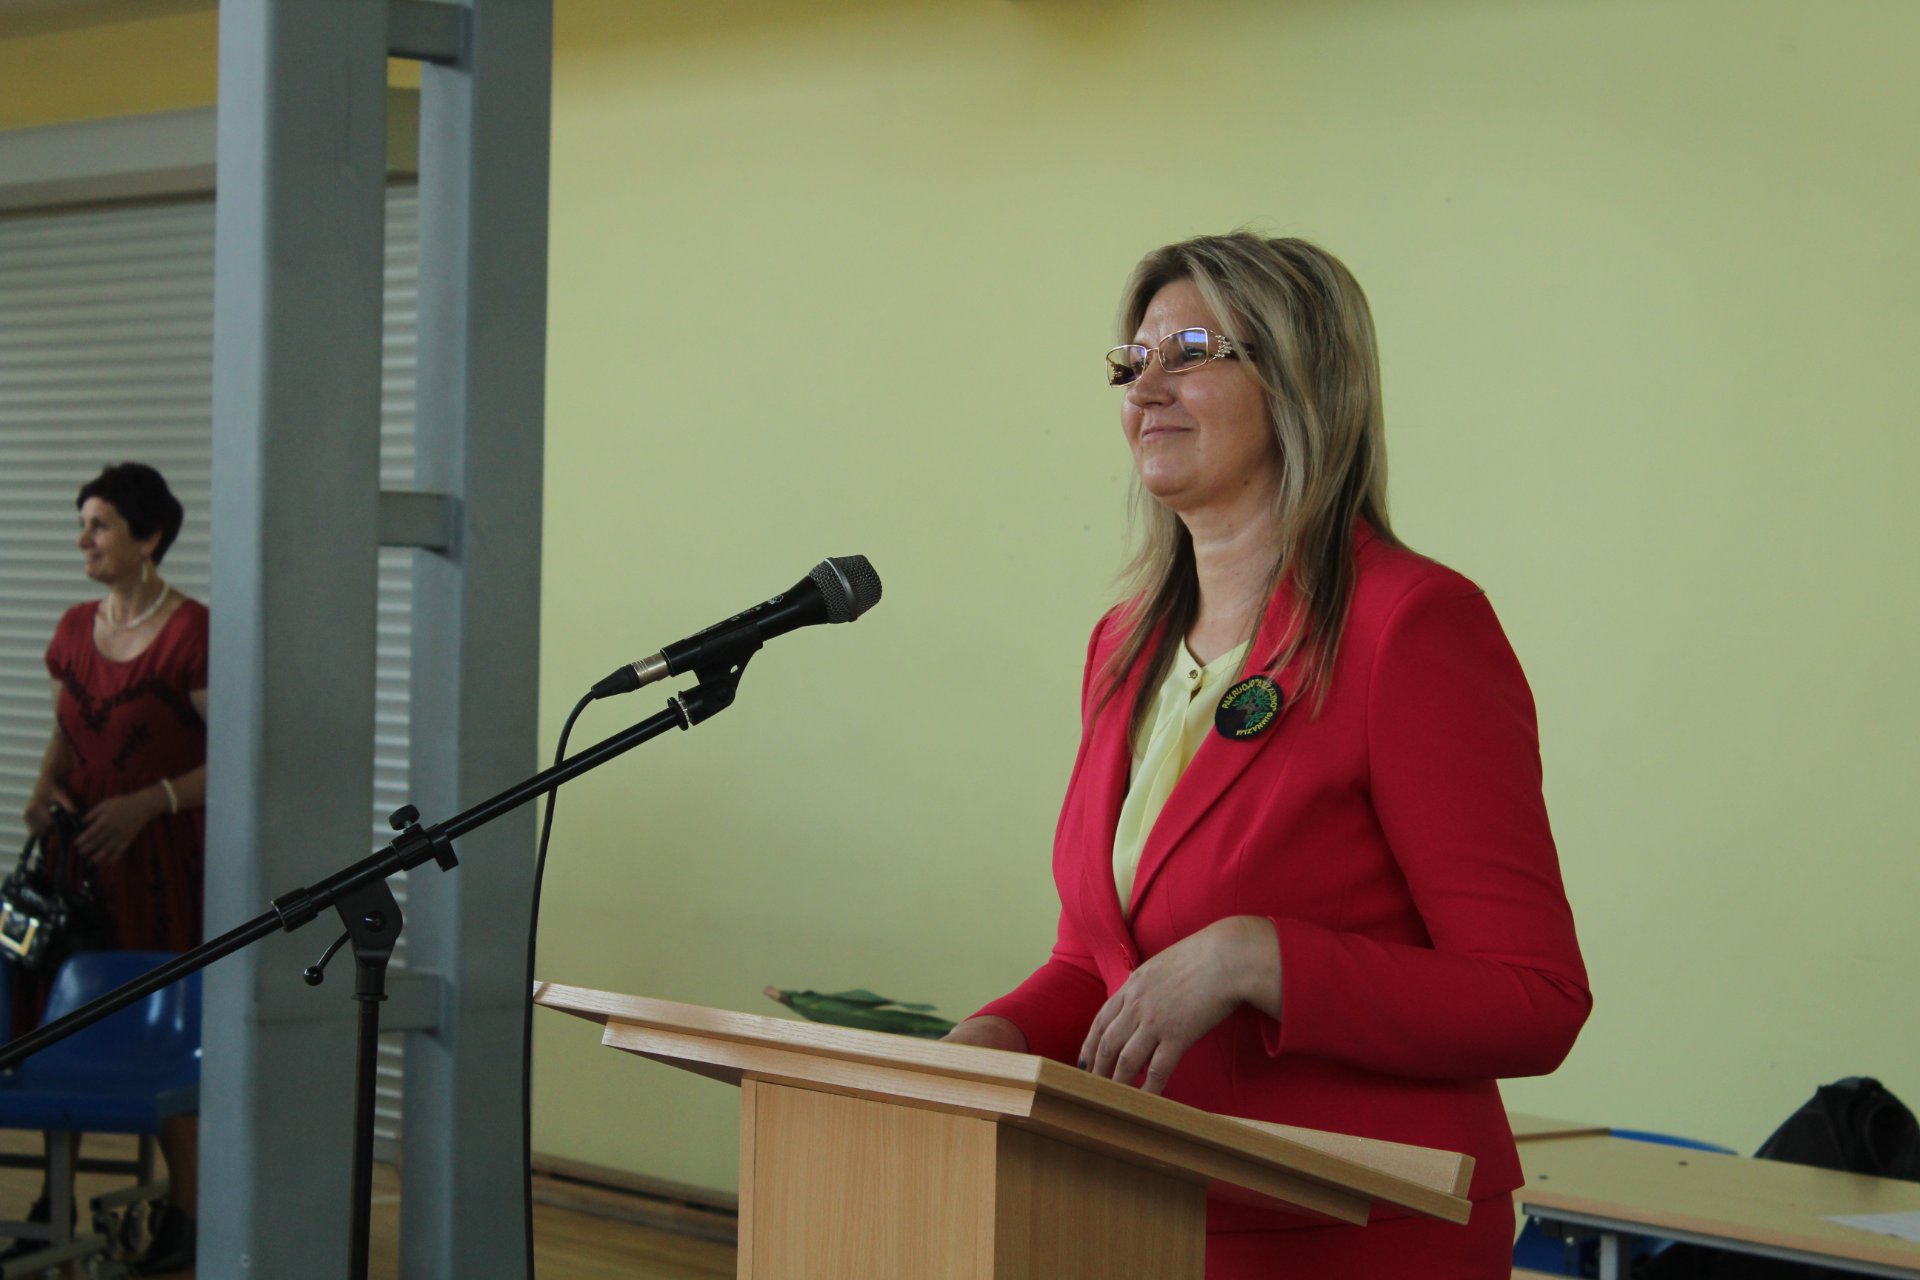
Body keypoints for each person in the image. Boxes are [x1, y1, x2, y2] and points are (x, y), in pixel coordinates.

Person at [944, 235, 1591, 1277]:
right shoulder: (1123, 647)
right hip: (1139, 1217)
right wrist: (995, 1040)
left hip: (1353, 1232)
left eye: (1191, 352)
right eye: (1132, 360)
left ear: (1300, 382)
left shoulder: (1411, 628)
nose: (1146, 388)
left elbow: (1534, 997)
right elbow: (1099, 961)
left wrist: (1260, 960)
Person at [15, 461, 206, 1274]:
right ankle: (54, 1195)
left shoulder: (192, 633)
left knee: (161, 1034)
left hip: (158, 864)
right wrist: (42, 791)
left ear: (148, 538)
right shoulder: (73, 630)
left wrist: (149, 803)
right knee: (52, 1024)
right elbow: (68, 730)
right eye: (83, 524)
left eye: (99, 526)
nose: (83, 540)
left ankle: (189, 1212)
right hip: (80, 864)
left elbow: (236, 758)